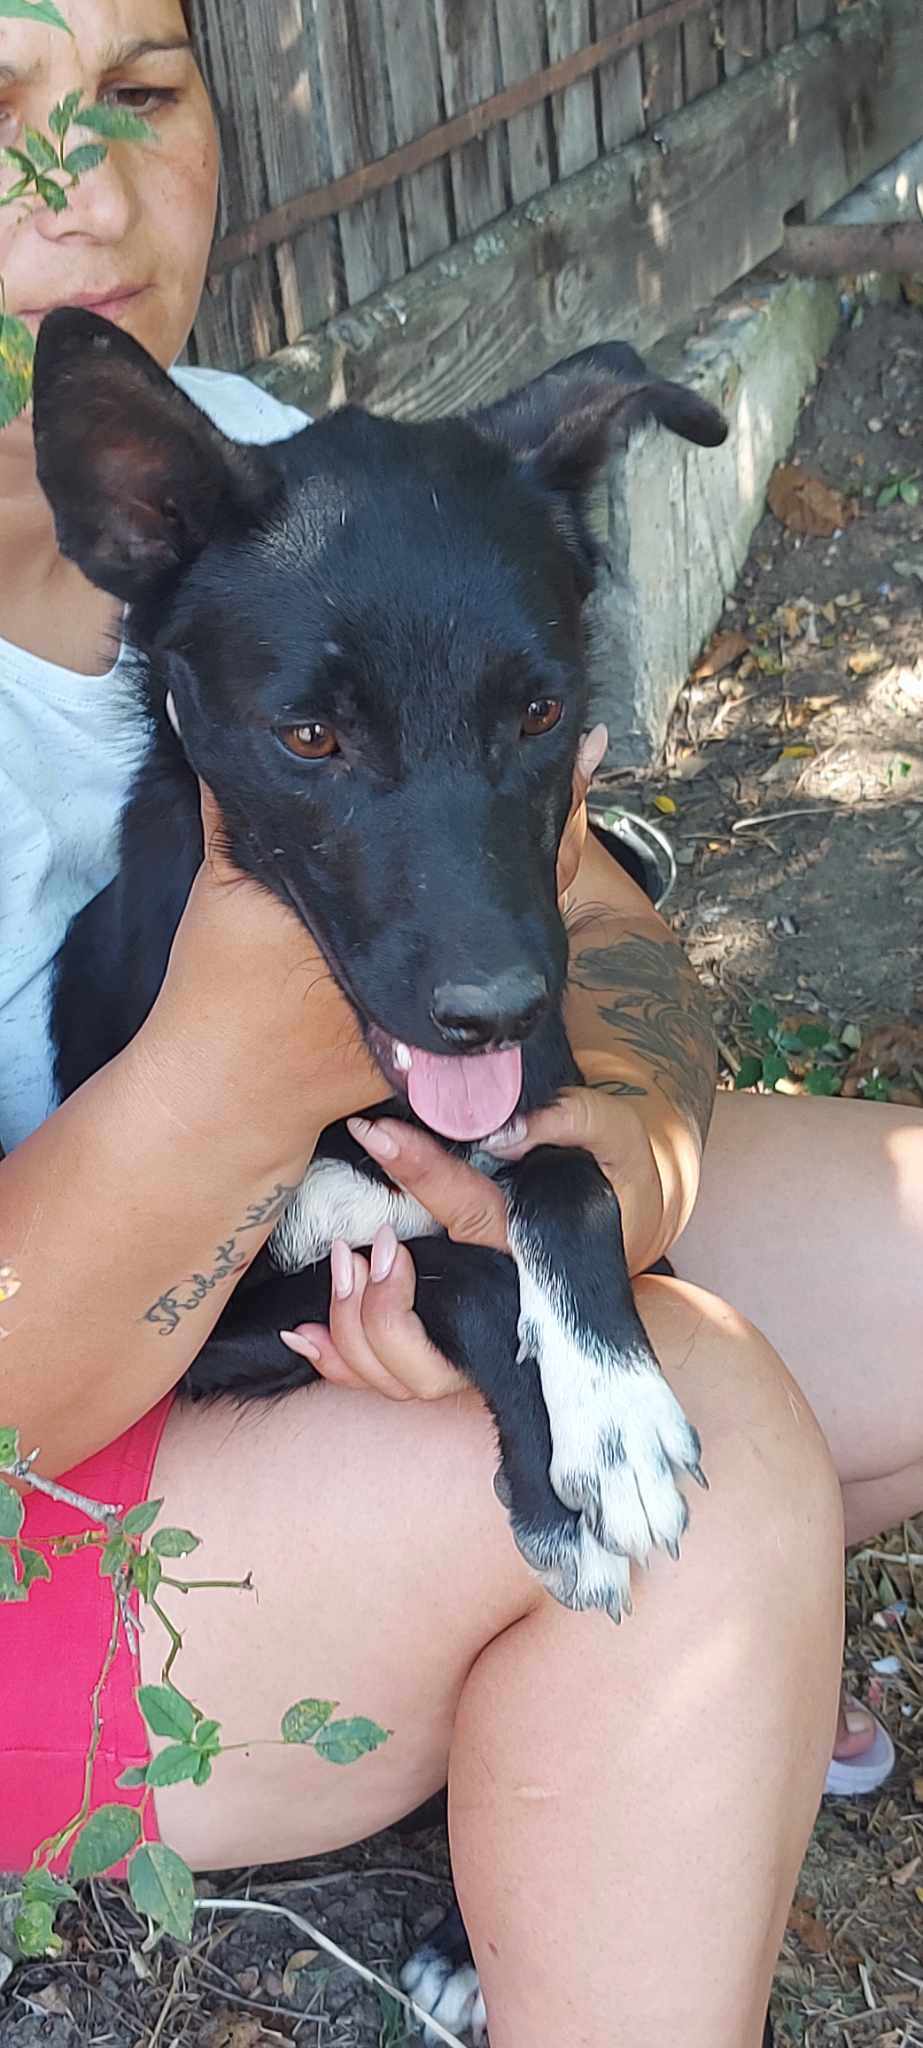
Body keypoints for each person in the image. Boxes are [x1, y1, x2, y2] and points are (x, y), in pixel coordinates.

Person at [0, 4, 919, 2042]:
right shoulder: (211, 506)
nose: (85, 189)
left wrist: (629, 1149)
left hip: (319, 1287)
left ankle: (567, 1736)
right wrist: (250, 1075)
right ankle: (633, 1712)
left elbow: (586, 918)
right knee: (686, 1465)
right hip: (34, 1506)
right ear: (122, 502)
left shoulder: (263, 472)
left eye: (137, 92)